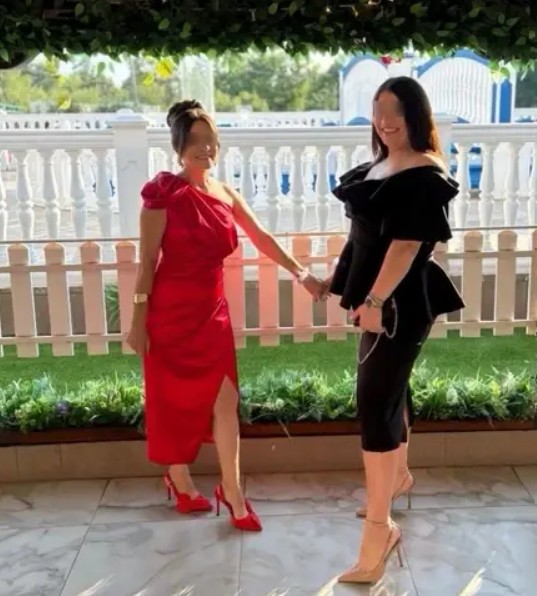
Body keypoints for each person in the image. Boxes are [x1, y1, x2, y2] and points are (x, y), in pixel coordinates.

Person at [127, 100, 325, 533]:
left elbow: (262, 236)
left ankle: (231, 490)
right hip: (169, 313)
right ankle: (180, 479)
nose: (205, 148)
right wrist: (138, 320)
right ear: (179, 146)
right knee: (170, 397)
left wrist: (302, 274)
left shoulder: (224, 193)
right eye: (195, 141)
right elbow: (147, 263)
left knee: (226, 400)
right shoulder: (162, 196)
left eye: (210, 140)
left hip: (211, 312)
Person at [326, 77, 465, 583]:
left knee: (375, 403)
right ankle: (398, 477)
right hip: (379, 300)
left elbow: (406, 246)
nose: (385, 120)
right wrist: (336, 283)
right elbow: (361, 238)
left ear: (416, 115)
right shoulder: (381, 165)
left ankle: (379, 532)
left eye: (396, 110)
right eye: (378, 109)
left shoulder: (424, 171)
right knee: (390, 393)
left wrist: (376, 301)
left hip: (399, 304)